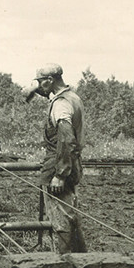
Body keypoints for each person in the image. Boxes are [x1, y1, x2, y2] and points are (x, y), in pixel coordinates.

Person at [26, 63, 87, 253]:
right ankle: (81, 261)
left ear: (50, 81)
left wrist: (59, 174)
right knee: (70, 213)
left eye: (41, 82)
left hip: (59, 163)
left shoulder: (60, 105)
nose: (39, 86)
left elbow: (66, 139)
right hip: (72, 162)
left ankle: (66, 262)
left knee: (61, 218)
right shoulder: (72, 97)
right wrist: (37, 88)